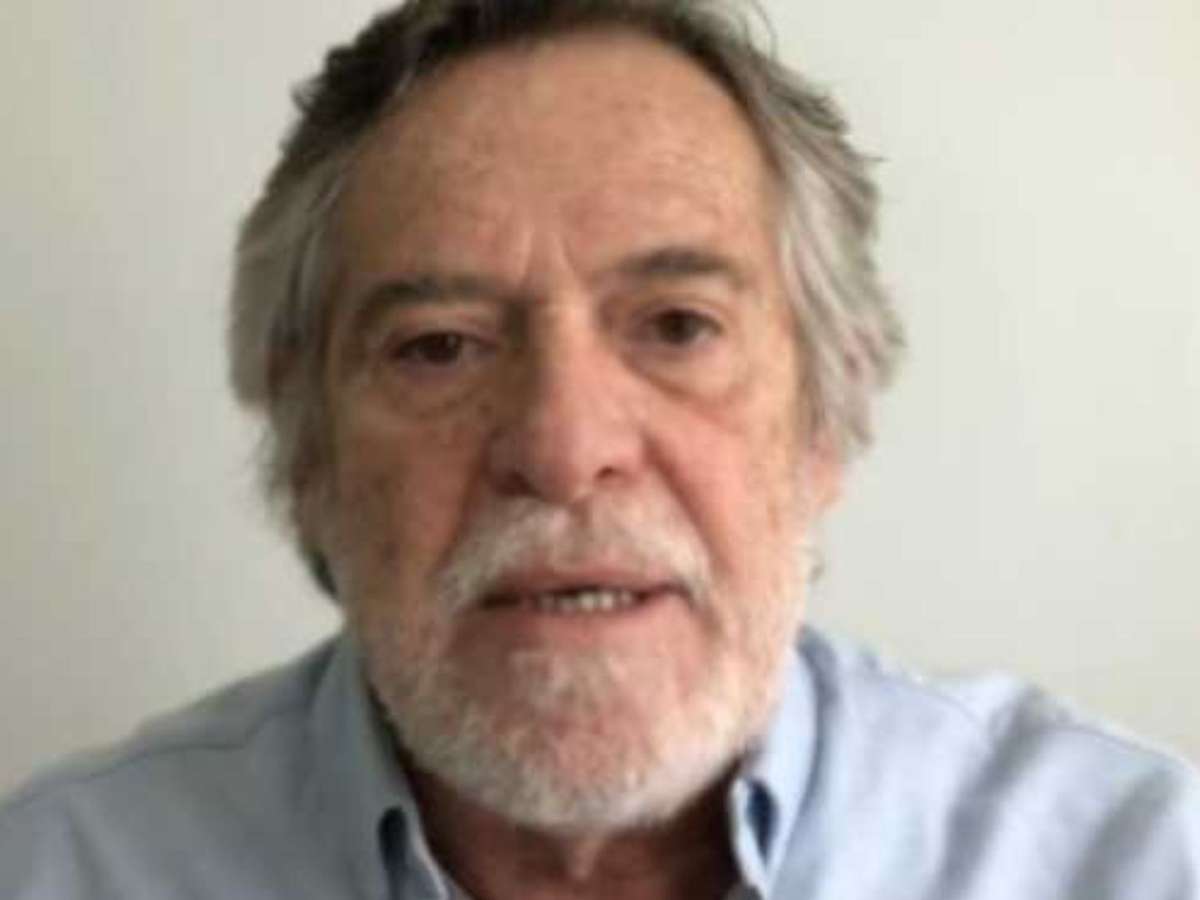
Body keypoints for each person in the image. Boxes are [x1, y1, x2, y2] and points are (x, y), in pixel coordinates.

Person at [2, 1, 1196, 897]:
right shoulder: (64, 872)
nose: (565, 450)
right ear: (307, 455)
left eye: (677, 327)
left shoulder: (1133, 862)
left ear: (825, 420)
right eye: (439, 346)